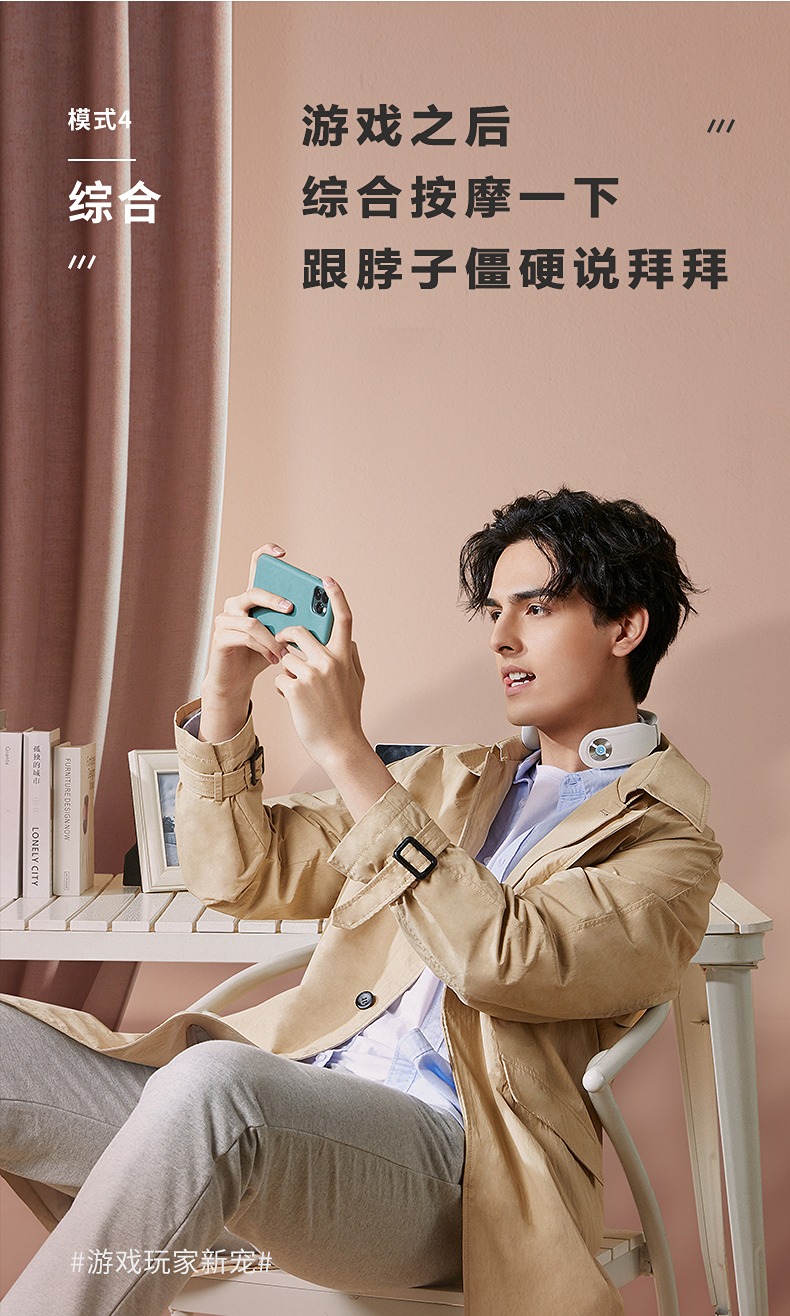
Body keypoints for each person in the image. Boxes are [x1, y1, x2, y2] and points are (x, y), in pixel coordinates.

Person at [0, 488, 722, 1316]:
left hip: (455, 1178)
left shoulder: (667, 846)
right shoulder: (446, 779)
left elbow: (504, 960)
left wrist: (346, 748)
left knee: (216, 1085)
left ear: (625, 628)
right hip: (278, 1130)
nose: (501, 637)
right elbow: (242, 874)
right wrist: (225, 702)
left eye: (538, 607)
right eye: (495, 611)